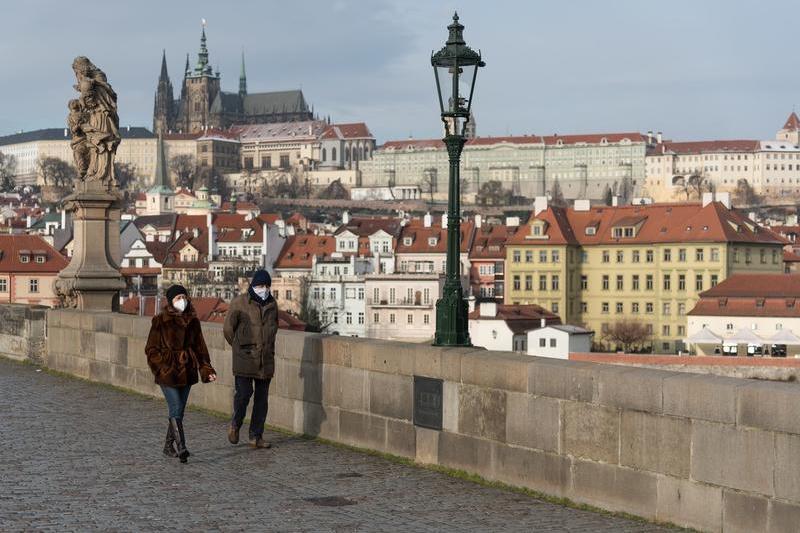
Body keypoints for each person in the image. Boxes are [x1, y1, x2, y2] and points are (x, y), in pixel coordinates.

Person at [145, 285, 217, 463]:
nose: (181, 301)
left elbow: (200, 349)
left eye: (183, 297)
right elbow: (151, 349)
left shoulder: (193, 321)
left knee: (179, 411)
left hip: (187, 371)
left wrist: (207, 370)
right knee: (176, 406)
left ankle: (168, 446)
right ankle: (182, 447)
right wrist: (163, 366)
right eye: (177, 298)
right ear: (170, 301)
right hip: (168, 373)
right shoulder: (160, 321)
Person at [224, 270, 278, 449]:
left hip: (265, 360)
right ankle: (235, 424)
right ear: (253, 286)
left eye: (267, 286)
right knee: (244, 394)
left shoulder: (272, 305)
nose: (264, 289)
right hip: (245, 358)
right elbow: (228, 329)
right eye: (261, 286)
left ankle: (256, 436)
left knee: (262, 401)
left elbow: (273, 329)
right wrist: (239, 347)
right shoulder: (240, 302)